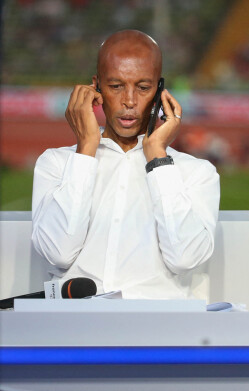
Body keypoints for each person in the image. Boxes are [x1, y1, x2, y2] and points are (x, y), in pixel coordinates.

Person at [31, 30, 220, 299]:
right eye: (116, 86)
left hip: (156, 328)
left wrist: (157, 156)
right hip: (75, 325)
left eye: (143, 88)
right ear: (95, 88)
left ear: (159, 91)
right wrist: (85, 151)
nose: (129, 101)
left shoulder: (197, 173)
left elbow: (185, 258)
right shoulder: (56, 163)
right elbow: (58, 253)